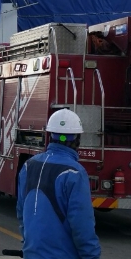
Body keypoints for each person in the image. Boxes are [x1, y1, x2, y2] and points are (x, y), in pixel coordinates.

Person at [16, 108, 101, 259]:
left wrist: (30, 245)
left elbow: (22, 212)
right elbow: (82, 226)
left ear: (50, 135)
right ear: (77, 139)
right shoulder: (75, 173)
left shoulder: (29, 166)